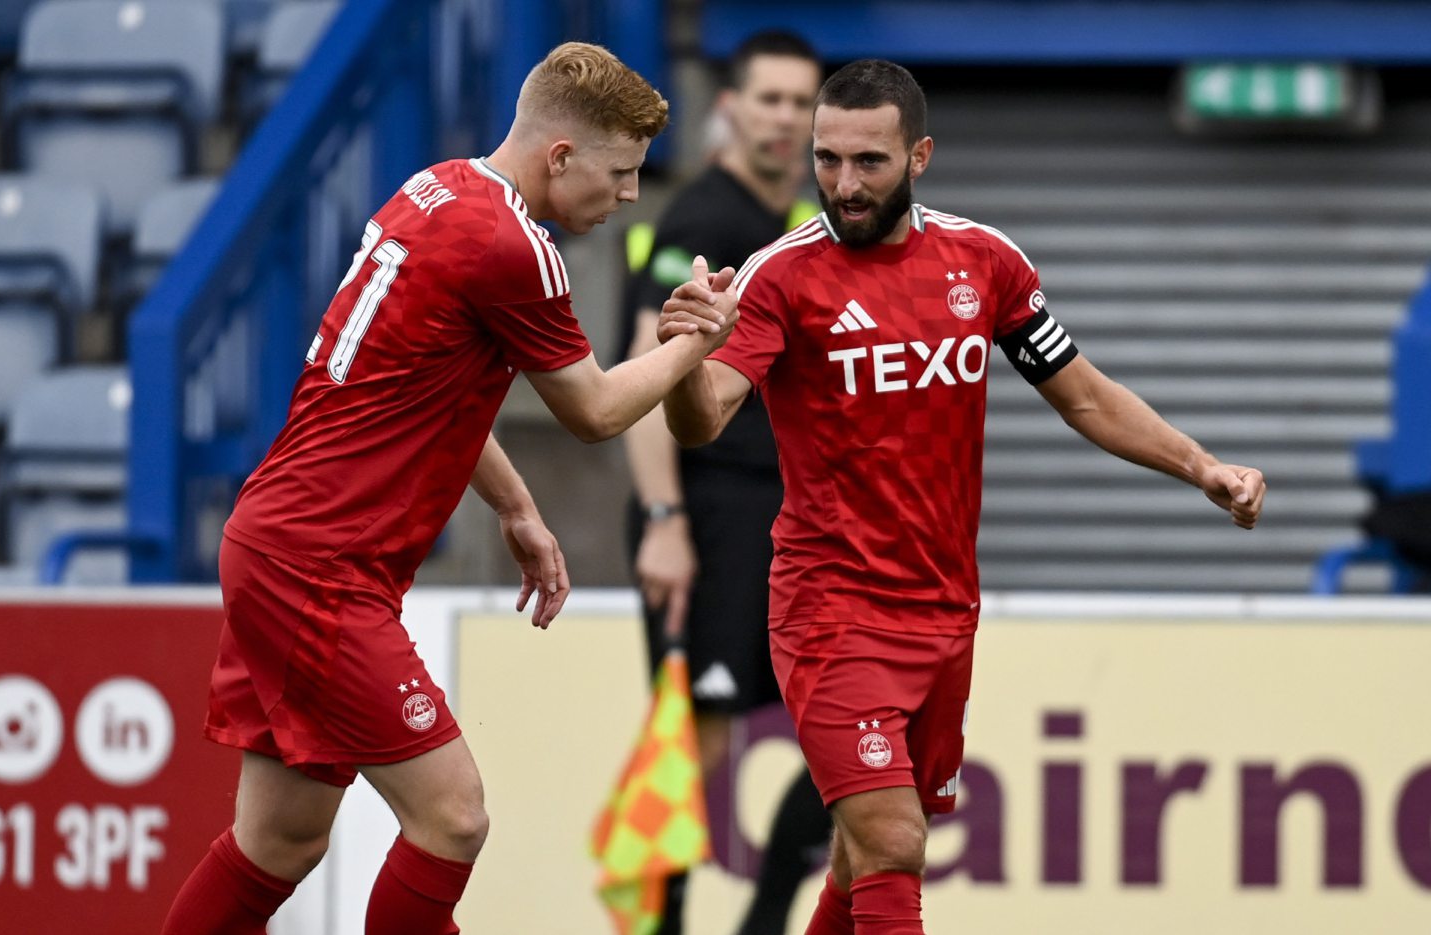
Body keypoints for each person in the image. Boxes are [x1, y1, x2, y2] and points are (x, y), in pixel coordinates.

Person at [660, 59, 1267, 935]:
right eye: (827, 160)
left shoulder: (984, 263)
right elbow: (703, 418)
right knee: (895, 841)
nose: (843, 183)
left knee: (857, 856)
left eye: (869, 161)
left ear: (921, 155)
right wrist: (684, 354)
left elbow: (1084, 394)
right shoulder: (780, 277)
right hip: (830, 607)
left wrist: (1201, 465)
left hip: (944, 612)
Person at [160, 42, 738, 935]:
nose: (629, 195)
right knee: (453, 814)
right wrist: (698, 340)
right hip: (322, 565)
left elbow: (424, 391)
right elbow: (591, 410)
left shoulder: (440, 190)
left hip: (281, 541)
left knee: (281, 838)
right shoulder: (514, 246)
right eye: (621, 173)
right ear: (561, 156)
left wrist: (513, 505)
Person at [619, 31, 831, 935]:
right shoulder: (705, 219)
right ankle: (663, 925)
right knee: (696, 738)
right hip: (707, 511)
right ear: (732, 106)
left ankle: (766, 918)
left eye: (800, 103)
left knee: (845, 726)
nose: (785, 119)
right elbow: (645, 366)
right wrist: (666, 519)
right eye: (770, 99)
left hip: (782, 514)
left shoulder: (800, 226)